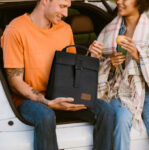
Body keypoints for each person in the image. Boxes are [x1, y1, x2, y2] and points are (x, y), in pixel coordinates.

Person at [1, 0, 115, 150]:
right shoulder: (15, 30)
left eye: (68, 8)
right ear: (45, 1)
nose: (66, 13)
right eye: (62, 6)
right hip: (29, 101)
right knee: (45, 116)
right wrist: (48, 102)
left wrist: (91, 56)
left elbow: (73, 72)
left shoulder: (65, 29)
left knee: (106, 110)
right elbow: (15, 82)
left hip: (63, 95)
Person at [96, 0, 149, 150]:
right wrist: (111, 64)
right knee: (121, 120)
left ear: (140, 2)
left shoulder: (148, 30)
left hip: (147, 93)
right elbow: (97, 64)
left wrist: (138, 56)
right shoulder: (111, 30)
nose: (119, 2)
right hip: (120, 92)